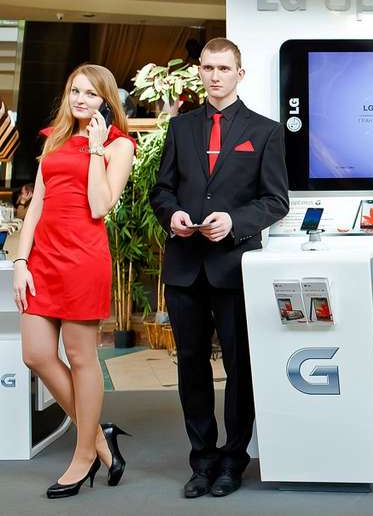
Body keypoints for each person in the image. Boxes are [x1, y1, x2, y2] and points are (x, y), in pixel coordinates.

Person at [150, 38, 289, 499]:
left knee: (239, 368)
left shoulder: (265, 131)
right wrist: (172, 215)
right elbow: (161, 190)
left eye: (224, 68)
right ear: (199, 71)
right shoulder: (181, 128)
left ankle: (233, 460)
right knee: (191, 366)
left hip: (234, 267)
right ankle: (202, 461)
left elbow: (276, 201)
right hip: (185, 267)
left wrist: (234, 222)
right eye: (208, 68)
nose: (215, 76)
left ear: (239, 74)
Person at [12, 64, 136, 498]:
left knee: (82, 359)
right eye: (75, 91)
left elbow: (100, 205)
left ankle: (84, 456)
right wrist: (21, 260)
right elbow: (37, 206)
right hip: (42, 260)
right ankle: (100, 437)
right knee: (36, 354)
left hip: (83, 260)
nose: (81, 100)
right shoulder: (55, 139)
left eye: (91, 93)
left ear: (106, 101)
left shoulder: (120, 145)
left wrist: (97, 149)